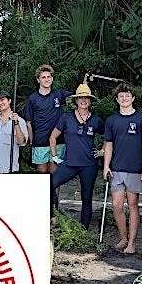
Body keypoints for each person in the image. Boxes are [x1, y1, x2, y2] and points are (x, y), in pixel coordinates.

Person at [102, 82, 142, 254]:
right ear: (117, 99)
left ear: (133, 98)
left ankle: (132, 243)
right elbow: (109, 144)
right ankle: (123, 237)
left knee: (132, 205)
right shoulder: (112, 120)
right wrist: (106, 165)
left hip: (136, 169)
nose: (124, 99)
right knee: (116, 205)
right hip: (116, 168)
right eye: (121, 96)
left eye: (127, 96)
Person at [47, 82, 104, 228]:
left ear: (90, 101)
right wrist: (54, 156)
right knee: (49, 184)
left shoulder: (96, 120)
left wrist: (102, 150)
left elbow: (109, 136)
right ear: (76, 101)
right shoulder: (66, 117)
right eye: (80, 98)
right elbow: (53, 136)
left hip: (89, 165)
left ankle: (83, 229)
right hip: (70, 163)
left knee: (86, 197)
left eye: (86, 98)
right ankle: (54, 217)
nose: (83, 100)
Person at [22, 65, 72, 201]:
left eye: (49, 76)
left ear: (52, 78)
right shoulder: (32, 99)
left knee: (55, 177)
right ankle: (45, 205)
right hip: (40, 142)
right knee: (43, 176)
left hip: (58, 142)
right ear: (38, 80)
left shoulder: (59, 95)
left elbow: (79, 95)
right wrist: (32, 141)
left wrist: (86, 81)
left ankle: (54, 208)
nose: (46, 79)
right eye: (43, 77)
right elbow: (28, 123)